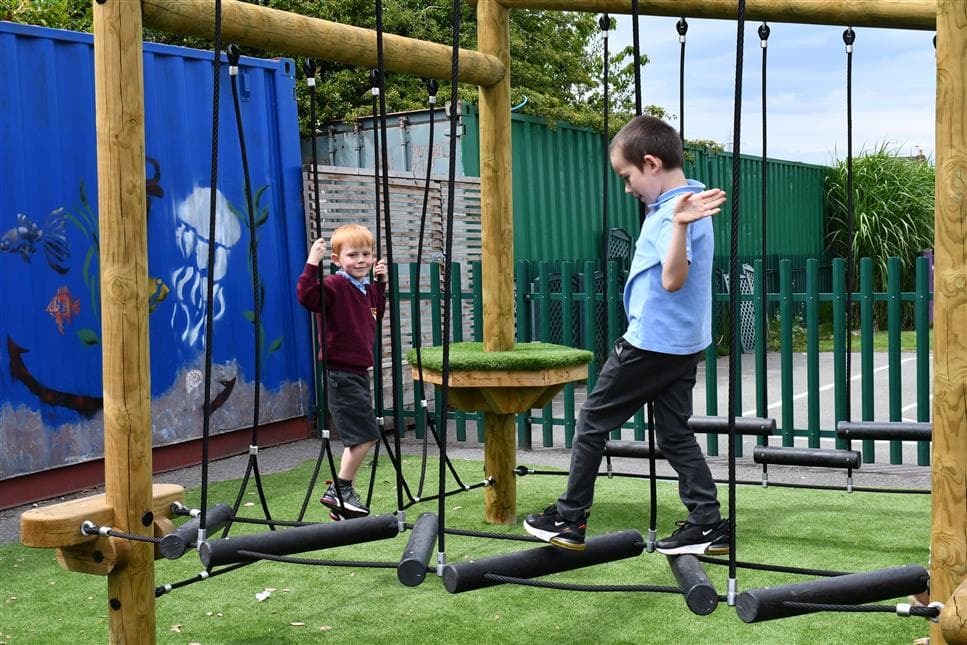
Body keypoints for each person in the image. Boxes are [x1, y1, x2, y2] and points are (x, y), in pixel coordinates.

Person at [524, 115, 728, 554]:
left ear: (651, 163)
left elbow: (673, 279)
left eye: (627, 176)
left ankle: (569, 517)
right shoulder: (683, 201)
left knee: (592, 419)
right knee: (673, 433)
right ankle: (708, 523)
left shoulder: (679, 211)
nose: (626, 187)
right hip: (681, 343)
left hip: (652, 343)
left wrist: (677, 225)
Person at [297, 223, 387, 521]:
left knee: (362, 436)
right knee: (365, 436)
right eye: (353, 255)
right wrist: (312, 262)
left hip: (358, 372)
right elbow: (307, 297)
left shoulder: (365, 289)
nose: (361, 260)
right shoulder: (335, 286)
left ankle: (341, 503)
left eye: (366, 254)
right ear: (337, 260)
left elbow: (377, 312)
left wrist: (381, 284)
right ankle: (340, 488)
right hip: (340, 373)